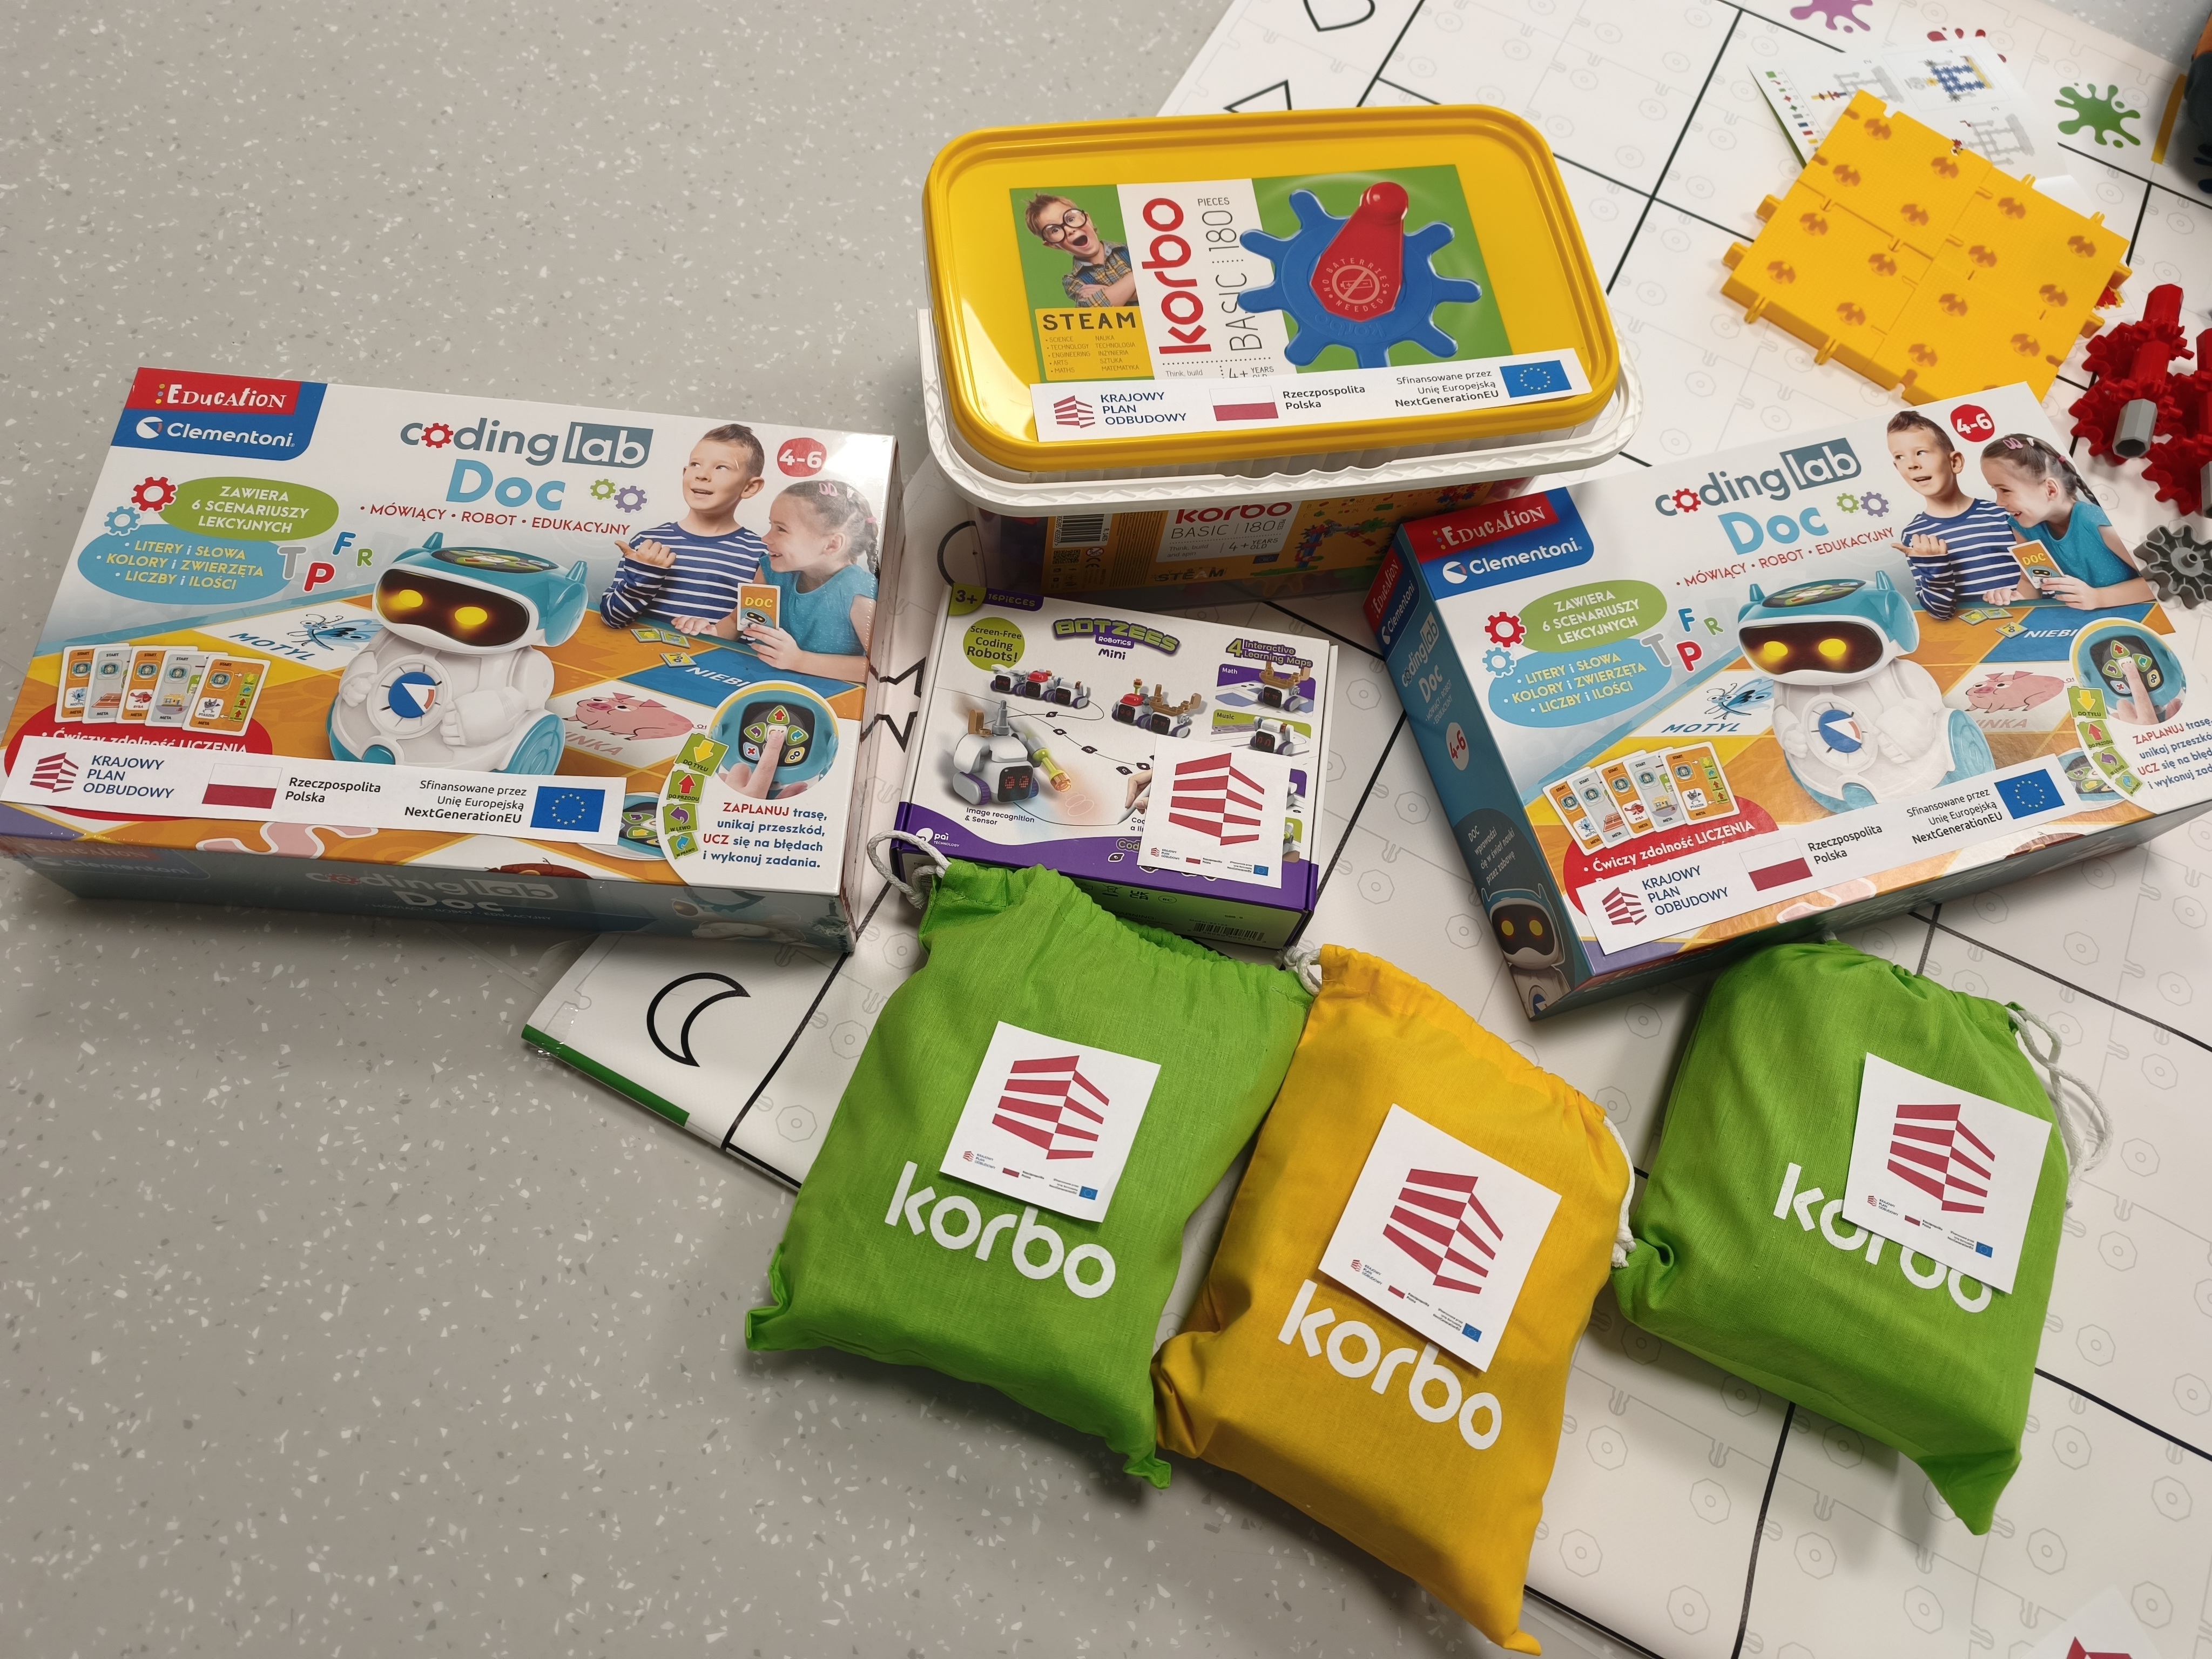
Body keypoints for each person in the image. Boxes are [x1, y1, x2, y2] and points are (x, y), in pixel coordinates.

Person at [597, 424, 767, 629]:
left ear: (750, 487)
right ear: (685, 473)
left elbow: (759, 630)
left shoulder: (761, 555)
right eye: (695, 464)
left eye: (721, 467)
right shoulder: (647, 542)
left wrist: (714, 633)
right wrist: (644, 575)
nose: (702, 475)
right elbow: (612, 619)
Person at [720, 479, 879, 683]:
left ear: (832, 544)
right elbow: (736, 623)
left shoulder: (858, 592)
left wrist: (800, 661)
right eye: (771, 525)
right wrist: (707, 632)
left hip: (827, 696)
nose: (765, 538)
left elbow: (879, 669)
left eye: (781, 529)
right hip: (760, 682)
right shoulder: (771, 570)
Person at [1980, 433, 2153, 611]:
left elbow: (2159, 581)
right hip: (2078, 620)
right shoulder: (2023, 527)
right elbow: (2030, 582)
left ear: (2051, 490)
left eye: (2005, 490)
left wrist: (2099, 598)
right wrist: (2018, 600)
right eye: (1995, 490)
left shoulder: (2095, 521)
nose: (1998, 502)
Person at [1883, 411, 2024, 620]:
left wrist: (2027, 598)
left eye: (1921, 452)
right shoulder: (1914, 536)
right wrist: (1935, 567)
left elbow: (2042, 572)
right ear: (1897, 468)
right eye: (1900, 457)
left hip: (2028, 621)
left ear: (1955, 462)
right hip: (1973, 633)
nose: (1912, 464)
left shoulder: (2003, 513)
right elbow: (1940, 613)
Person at [1024, 194, 1136, 308]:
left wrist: (1107, 292)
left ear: (1087, 219)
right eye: (1055, 230)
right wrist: (1138, 275)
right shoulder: (1072, 281)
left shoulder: (1132, 250)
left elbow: (1151, 286)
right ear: (1052, 244)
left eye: (1071, 219)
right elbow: (1096, 309)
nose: (1069, 230)